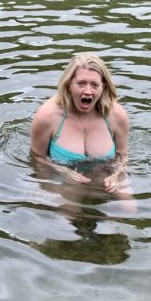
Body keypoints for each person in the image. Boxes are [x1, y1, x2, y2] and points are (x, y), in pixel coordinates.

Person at [30, 52, 130, 194]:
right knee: (69, 211)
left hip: (104, 175)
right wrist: (62, 170)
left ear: (104, 87)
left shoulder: (117, 116)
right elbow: (36, 158)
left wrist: (117, 176)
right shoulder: (47, 116)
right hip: (63, 179)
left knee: (128, 210)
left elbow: (123, 156)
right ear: (69, 84)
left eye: (95, 85)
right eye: (81, 83)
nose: (88, 91)